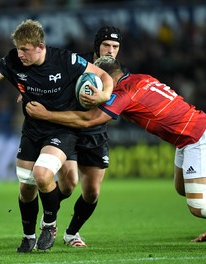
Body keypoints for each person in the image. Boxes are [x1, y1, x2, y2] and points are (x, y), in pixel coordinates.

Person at [26, 55, 206, 235]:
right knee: (182, 187)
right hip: (189, 135)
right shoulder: (141, 79)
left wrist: (47, 114)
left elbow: (88, 120)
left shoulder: (125, 93)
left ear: (106, 77)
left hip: (197, 136)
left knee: (198, 205)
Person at [0, 19, 114, 252]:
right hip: (32, 130)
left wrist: (103, 95)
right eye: (18, 48)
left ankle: (49, 224)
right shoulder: (13, 60)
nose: (20, 54)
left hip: (62, 130)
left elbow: (105, 77)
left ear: (40, 47)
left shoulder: (65, 60)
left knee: (43, 175)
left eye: (25, 49)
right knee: (26, 187)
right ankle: (28, 236)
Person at [59, 25, 123, 247]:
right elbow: (52, 80)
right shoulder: (78, 63)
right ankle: (49, 218)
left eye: (115, 46)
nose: (110, 50)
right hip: (68, 129)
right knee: (68, 185)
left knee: (92, 192)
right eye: (106, 45)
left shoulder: (118, 73)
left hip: (95, 133)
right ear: (97, 45)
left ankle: (71, 234)